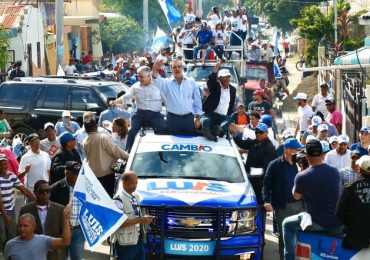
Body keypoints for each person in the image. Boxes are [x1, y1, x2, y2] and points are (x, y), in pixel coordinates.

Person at [282, 139, 342, 260]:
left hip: (317, 222)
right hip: (336, 221)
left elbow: (296, 196)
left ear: (307, 155)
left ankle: (289, 257)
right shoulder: (334, 171)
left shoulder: (302, 176)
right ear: (322, 154)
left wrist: (300, 173)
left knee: (286, 224)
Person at [230, 122, 277, 252]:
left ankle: (260, 240)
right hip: (251, 183)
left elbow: (266, 170)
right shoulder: (255, 142)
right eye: (256, 132)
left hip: (260, 186)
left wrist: (249, 173)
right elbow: (243, 144)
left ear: (266, 133)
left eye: (260, 132)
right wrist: (235, 136)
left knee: (260, 213)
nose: (258, 134)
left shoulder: (269, 148)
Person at [263, 138, 305, 260]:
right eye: (295, 149)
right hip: (282, 207)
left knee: (300, 236)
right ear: (287, 150)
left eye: (298, 149)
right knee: (285, 237)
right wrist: (266, 201)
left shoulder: (301, 164)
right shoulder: (274, 165)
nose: (298, 151)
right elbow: (266, 185)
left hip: (299, 205)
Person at [112, 66, 167, 151]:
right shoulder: (135, 87)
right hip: (140, 114)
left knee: (164, 129)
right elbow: (125, 97)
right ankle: (128, 154)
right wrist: (115, 102)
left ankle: (163, 151)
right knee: (131, 132)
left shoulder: (158, 85)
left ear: (149, 75)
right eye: (138, 76)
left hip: (155, 115)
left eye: (141, 76)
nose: (139, 78)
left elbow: (166, 100)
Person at [152, 59, 203, 135]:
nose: (177, 69)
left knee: (189, 143)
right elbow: (156, 79)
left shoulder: (191, 81)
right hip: (173, 120)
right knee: (173, 145)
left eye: (179, 66)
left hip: (188, 119)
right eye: (174, 67)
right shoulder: (167, 83)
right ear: (171, 69)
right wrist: (154, 69)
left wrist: (198, 118)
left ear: (182, 68)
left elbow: (197, 100)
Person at [111, 171, 153, 260]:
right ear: (123, 182)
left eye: (136, 183)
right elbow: (118, 223)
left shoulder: (136, 197)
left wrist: (145, 220)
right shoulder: (118, 200)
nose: (134, 185)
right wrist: (141, 220)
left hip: (138, 240)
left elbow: (137, 217)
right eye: (132, 183)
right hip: (125, 243)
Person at [19, 180, 65, 260]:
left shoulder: (60, 209)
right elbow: (20, 231)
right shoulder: (25, 209)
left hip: (53, 253)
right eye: (42, 191)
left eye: (48, 191)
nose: (45, 194)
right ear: (35, 192)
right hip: (32, 253)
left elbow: (65, 231)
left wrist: (56, 244)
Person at [83, 119, 129, 197]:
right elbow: (115, 151)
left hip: (92, 175)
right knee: (108, 200)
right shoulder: (102, 137)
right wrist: (130, 157)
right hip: (105, 175)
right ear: (96, 126)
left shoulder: (85, 141)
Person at [4, 207, 71, 259]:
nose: (21, 229)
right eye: (19, 226)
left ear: (34, 227)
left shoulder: (43, 241)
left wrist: (66, 219)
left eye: (25, 226)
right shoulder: (10, 245)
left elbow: (65, 242)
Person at [0, 154, 35, 252]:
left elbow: (24, 190)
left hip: (10, 209)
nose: (3, 166)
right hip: (1, 212)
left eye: (5, 164)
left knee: (12, 234)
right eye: (0, 164)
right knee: (2, 235)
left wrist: (37, 201)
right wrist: (5, 215)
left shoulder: (11, 175)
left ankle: (9, 254)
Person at [50, 161, 85, 260]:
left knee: (77, 258)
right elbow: (50, 210)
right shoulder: (55, 188)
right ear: (67, 174)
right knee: (61, 258)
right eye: (75, 174)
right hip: (60, 232)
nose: (78, 177)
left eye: (79, 174)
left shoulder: (85, 187)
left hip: (78, 230)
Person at [336, 155, 370, 250]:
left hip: (355, 237)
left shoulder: (349, 187)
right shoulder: (348, 187)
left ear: (360, 169)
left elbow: (339, 213)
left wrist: (352, 224)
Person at [201, 60, 236, 141]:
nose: (227, 79)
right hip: (211, 115)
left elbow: (231, 105)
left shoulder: (233, 89)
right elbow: (211, 80)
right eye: (224, 77)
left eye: (228, 77)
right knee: (205, 121)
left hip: (223, 116)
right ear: (219, 79)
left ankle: (219, 132)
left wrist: (228, 115)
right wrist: (216, 68)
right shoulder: (215, 87)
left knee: (228, 120)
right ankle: (209, 134)